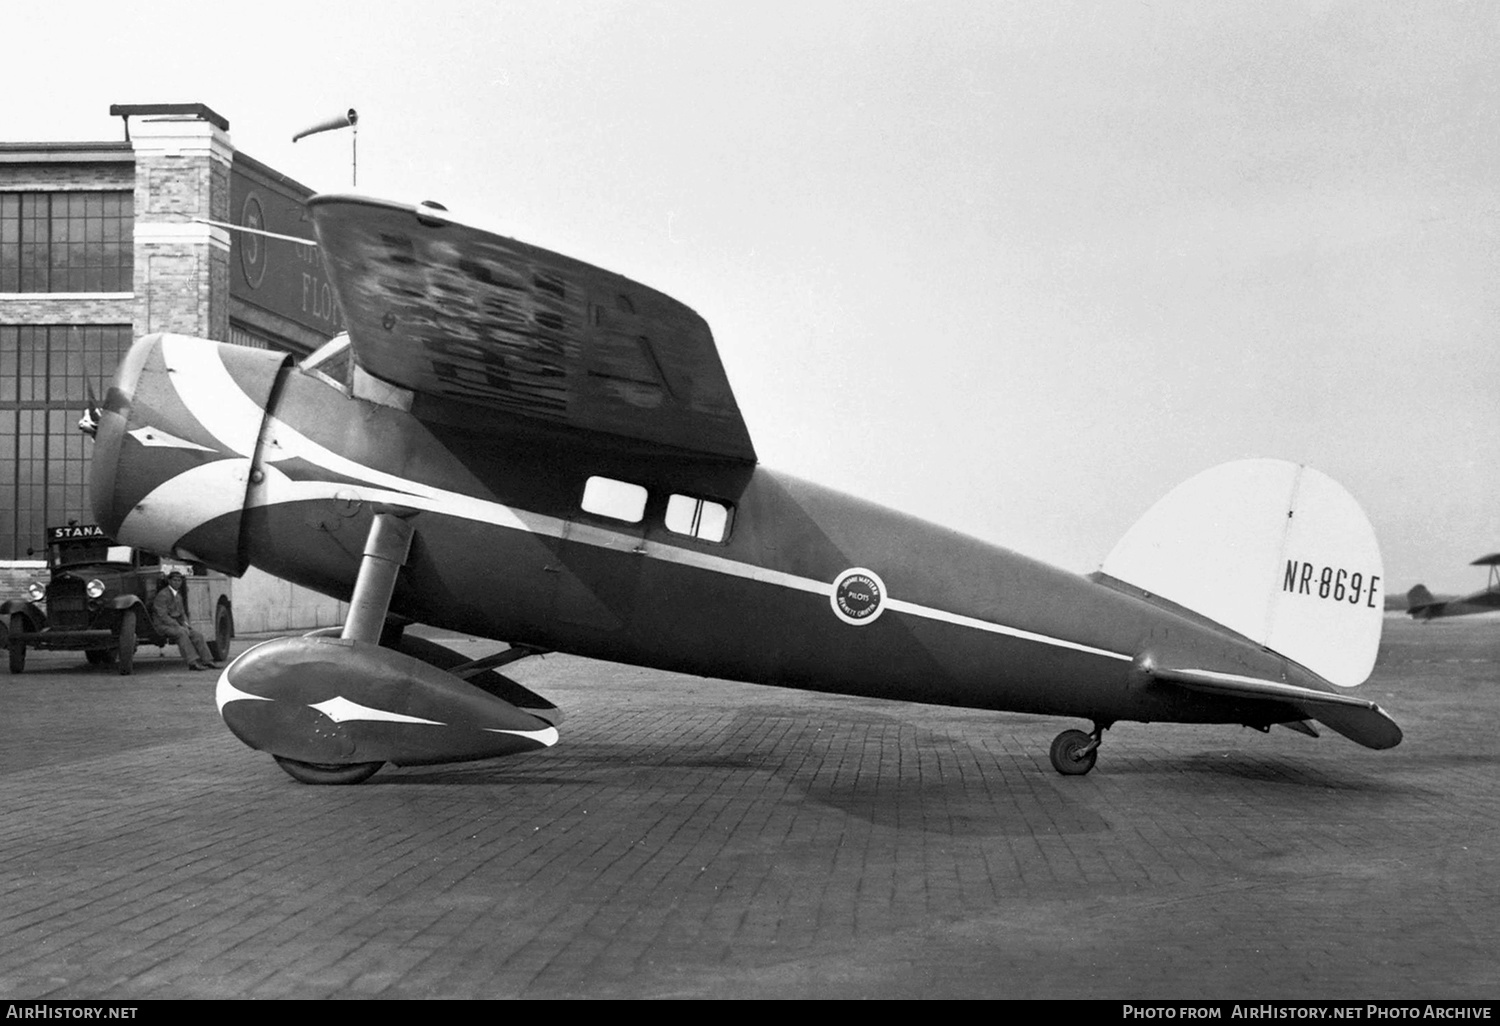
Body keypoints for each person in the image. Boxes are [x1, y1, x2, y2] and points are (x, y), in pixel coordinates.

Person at [151, 571, 219, 671]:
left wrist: (186, 625)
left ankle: (208, 660)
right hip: (162, 625)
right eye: (174, 580)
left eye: (179, 580)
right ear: (169, 581)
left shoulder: (178, 596)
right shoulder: (163, 595)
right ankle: (192, 662)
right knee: (182, 633)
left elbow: (182, 614)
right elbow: (162, 616)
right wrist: (179, 626)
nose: (177, 583)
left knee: (197, 635)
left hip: (176, 625)